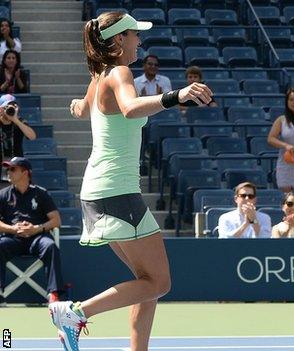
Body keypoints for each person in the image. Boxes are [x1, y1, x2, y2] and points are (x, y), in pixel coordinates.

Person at [49, 12, 213, 351]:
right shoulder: (120, 72)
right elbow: (130, 108)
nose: (140, 40)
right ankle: (75, 312)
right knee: (159, 281)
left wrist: (76, 106)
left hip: (100, 190)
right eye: (135, 34)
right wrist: (176, 96)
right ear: (119, 39)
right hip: (115, 191)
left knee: (147, 281)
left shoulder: (99, 76)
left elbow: (82, 109)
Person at [0, 157, 62, 306]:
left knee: (50, 246)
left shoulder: (41, 193)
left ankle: (54, 293)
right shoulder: (3, 194)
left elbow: (56, 220)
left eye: (13, 169)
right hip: (12, 239)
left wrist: (36, 229)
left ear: (25, 172)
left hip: (37, 238)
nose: (9, 172)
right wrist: (13, 229)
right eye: (8, 169)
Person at [0, 94, 36, 161]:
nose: (10, 109)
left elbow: (32, 137)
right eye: (6, 107)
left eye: (13, 106)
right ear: (1, 109)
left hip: (16, 163)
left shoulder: (20, 121)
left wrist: (15, 120)